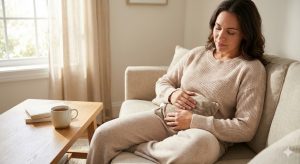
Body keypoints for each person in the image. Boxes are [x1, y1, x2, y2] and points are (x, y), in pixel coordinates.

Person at [87, 0, 267, 163]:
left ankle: (138, 147)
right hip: (168, 117)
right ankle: (145, 146)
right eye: (217, 28)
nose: (220, 36)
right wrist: (172, 94)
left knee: (196, 148)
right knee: (103, 134)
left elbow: (245, 128)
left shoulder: (251, 69)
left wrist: (193, 121)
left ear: (245, 34)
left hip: (206, 134)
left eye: (231, 32)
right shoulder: (197, 54)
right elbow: (163, 82)